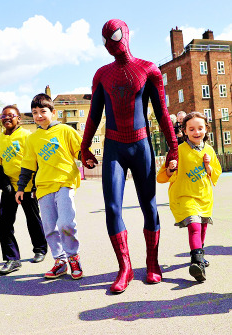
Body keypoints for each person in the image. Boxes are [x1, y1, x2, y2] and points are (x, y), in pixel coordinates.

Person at [81, 19, 178, 293]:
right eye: (105, 40)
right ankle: (125, 268)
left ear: (126, 34)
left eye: (114, 36)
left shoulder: (148, 69)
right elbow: (94, 113)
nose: (111, 44)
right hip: (114, 148)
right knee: (112, 207)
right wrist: (84, 145)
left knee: (149, 206)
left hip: (141, 146)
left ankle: (152, 262)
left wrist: (173, 146)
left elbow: (161, 112)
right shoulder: (102, 74)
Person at [15, 94, 83, 280]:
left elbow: (79, 150)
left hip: (64, 182)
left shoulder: (65, 131)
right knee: (50, 227)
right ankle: (60, 261)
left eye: (43, 111)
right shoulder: (32, 139)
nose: (38, 116)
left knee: (66, 223)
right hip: (43, 187)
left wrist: (88, 158)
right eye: (35, 112)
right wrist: (21, 188)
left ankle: (73, 257)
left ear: (53, 112)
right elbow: (28, 165)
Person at [157, 112, 222, 282]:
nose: (196, 132)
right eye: (191, 129)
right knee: (194, 226)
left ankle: (199, 256)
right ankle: (197, 262)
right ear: (184, 131)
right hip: (184, 196)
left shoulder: (209, 150)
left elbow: (216, 173)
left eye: (200, 128)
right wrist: (171, 168)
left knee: (202, 228)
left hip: (204, 197)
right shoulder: (178, 150)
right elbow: (161, 176)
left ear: (206, 130)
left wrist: (208, 166)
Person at [0, 105, 47, 275]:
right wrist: (5, 185)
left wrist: (36, 184)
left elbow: (35, 161)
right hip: (9, 188)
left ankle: (40, 249)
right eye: (3, 116)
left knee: (32, 219)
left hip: (27, 186)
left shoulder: (26, 136)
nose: (7, 118)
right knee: (4, 223)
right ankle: (12, 259)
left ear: (18, 119)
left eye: (11, 115)